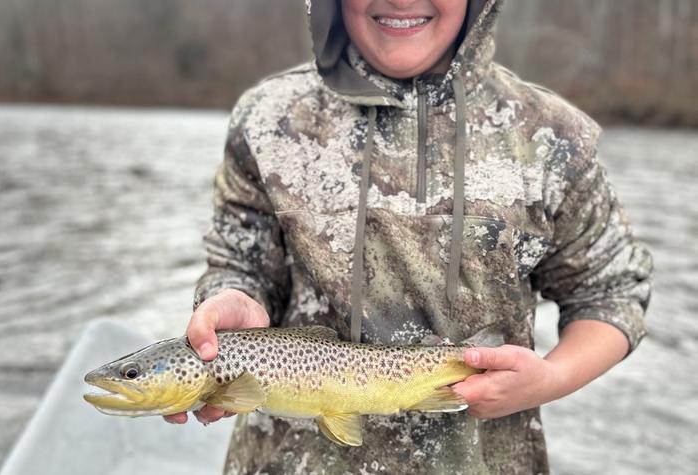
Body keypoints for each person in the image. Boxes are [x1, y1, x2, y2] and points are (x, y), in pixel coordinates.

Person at [164, 0, 652, 473]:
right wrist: (230, 298)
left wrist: (551, 378)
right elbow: (241, 265)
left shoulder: (551, 137)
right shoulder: (268, 119)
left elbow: (610, 293)